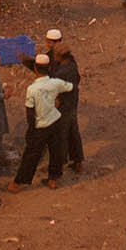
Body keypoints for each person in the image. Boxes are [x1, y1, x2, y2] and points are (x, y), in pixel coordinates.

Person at [7, 54, 74, 192]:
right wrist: (58, 99)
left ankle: (19, 182)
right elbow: (70, 87)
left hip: (40, 125)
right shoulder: (56, 83)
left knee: (31, 154)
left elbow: (30, 112)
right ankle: (53, 179)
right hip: (55, 121)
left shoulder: (32, 89)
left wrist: (31, 130)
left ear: (35, 69)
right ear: (49, 68)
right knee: (56, 151)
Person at [48, 43, 84, 172]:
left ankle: (58, 165)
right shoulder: (72, 65)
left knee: (60, 135)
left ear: (59, 56)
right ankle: (78, 161)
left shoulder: (61, 72)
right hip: (72, 103)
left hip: (62, 106)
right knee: (73, 132)